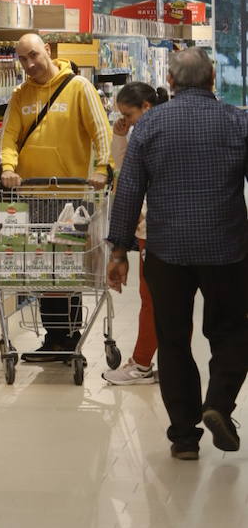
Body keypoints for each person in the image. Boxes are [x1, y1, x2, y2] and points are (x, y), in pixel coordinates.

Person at [107, 48, 248, 460]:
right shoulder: (238, 121)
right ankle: (218, 404)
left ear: (169, 82)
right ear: (212, 79)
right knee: (232, 333)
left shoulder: (149, 124)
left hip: (166, 251)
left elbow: (129, 191)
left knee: (172, 341)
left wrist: (120, 250)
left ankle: (184, 437)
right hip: (227, 250)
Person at [1, 33, 113, 353]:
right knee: (41, 269)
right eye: (22, 59)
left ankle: (68, 335)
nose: (29, 64)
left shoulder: (80, 88)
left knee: (64, 267)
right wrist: (8, 167)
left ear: (47, 51)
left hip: (70, 197)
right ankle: (54, 337)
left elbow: (101, 132)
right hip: (32, 196)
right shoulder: (20, 95)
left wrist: (103, 170)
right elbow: (9, 136)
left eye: (34, 55)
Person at [101, 81, 168, 385]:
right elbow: (124, 167)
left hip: (154, 230)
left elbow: (130, 180)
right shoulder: (148, 131)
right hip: (151, 229)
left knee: (153, 300)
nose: (125, 121)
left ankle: (142, 364)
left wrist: (118, 247)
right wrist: (119, 136)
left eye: (128, 115)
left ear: (147, 108)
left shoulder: (156, 134)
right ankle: (161, 363)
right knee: (159, 300)